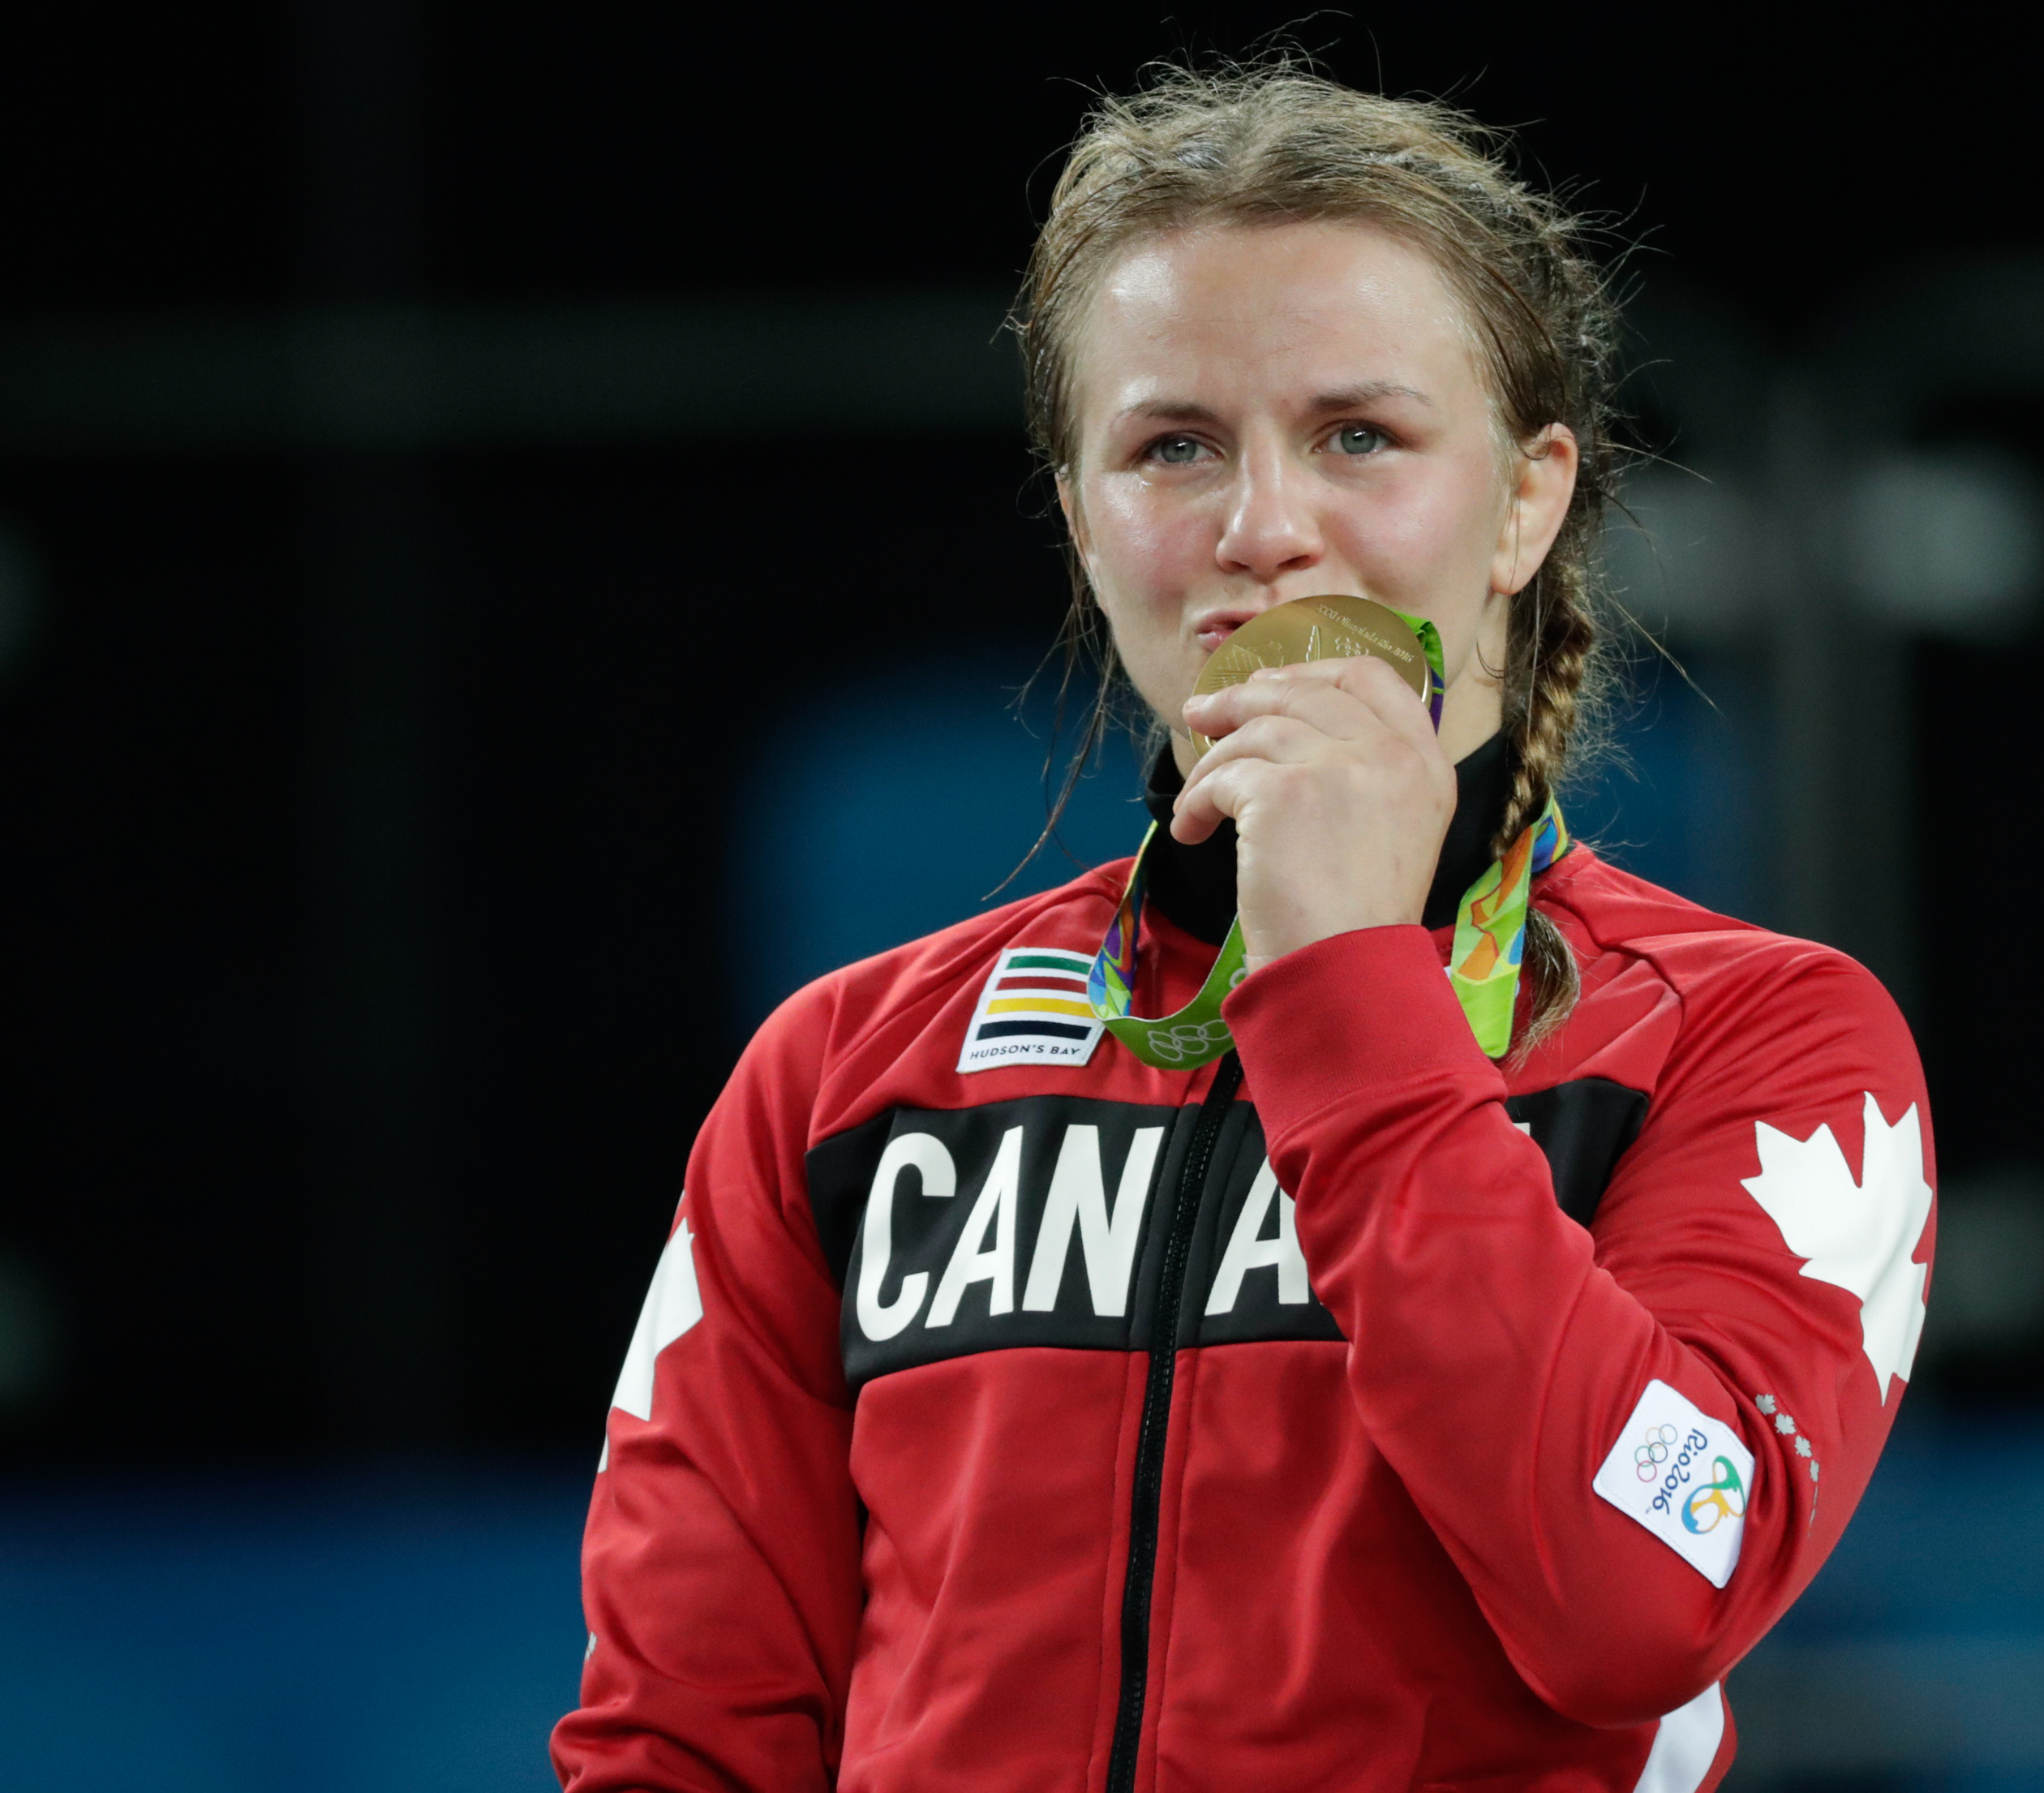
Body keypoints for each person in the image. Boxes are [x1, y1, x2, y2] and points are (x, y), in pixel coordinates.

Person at [552, 66, 1934, 1793]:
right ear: (1080, 516)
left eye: (1360, 436)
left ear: (1527, 501)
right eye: (1172, 448)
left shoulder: (1764, 1045)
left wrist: (1354, 983)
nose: (1262, 531)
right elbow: (680, 1741)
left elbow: (1644, 1598)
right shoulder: (843, 1078)